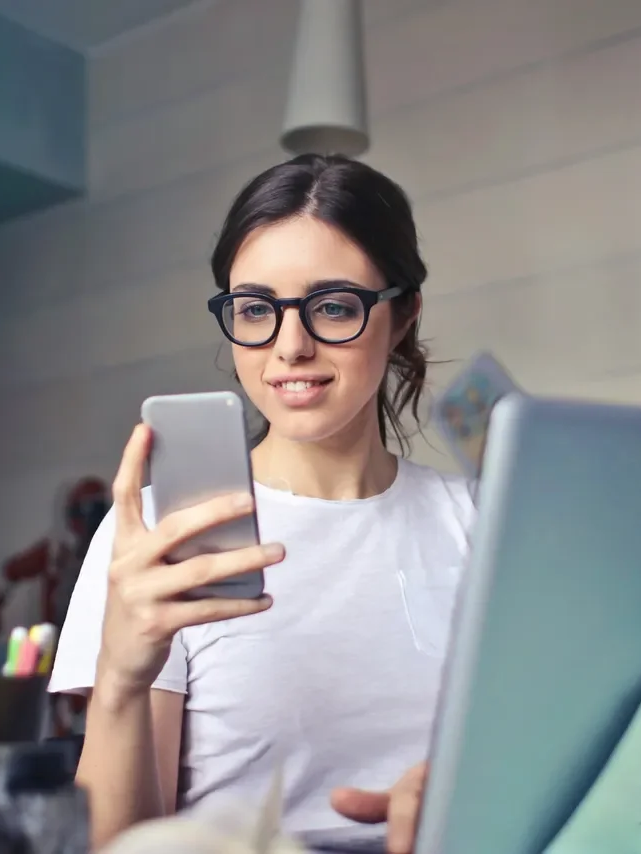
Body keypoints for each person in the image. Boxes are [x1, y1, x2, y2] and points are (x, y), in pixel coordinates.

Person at [50, 154, 475, 854]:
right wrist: (121, 677)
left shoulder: (482, 524)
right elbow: (120, 846)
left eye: (333, 306)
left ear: (402, 315)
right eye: (255, 310)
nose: (290, 346)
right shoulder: (163, 534)